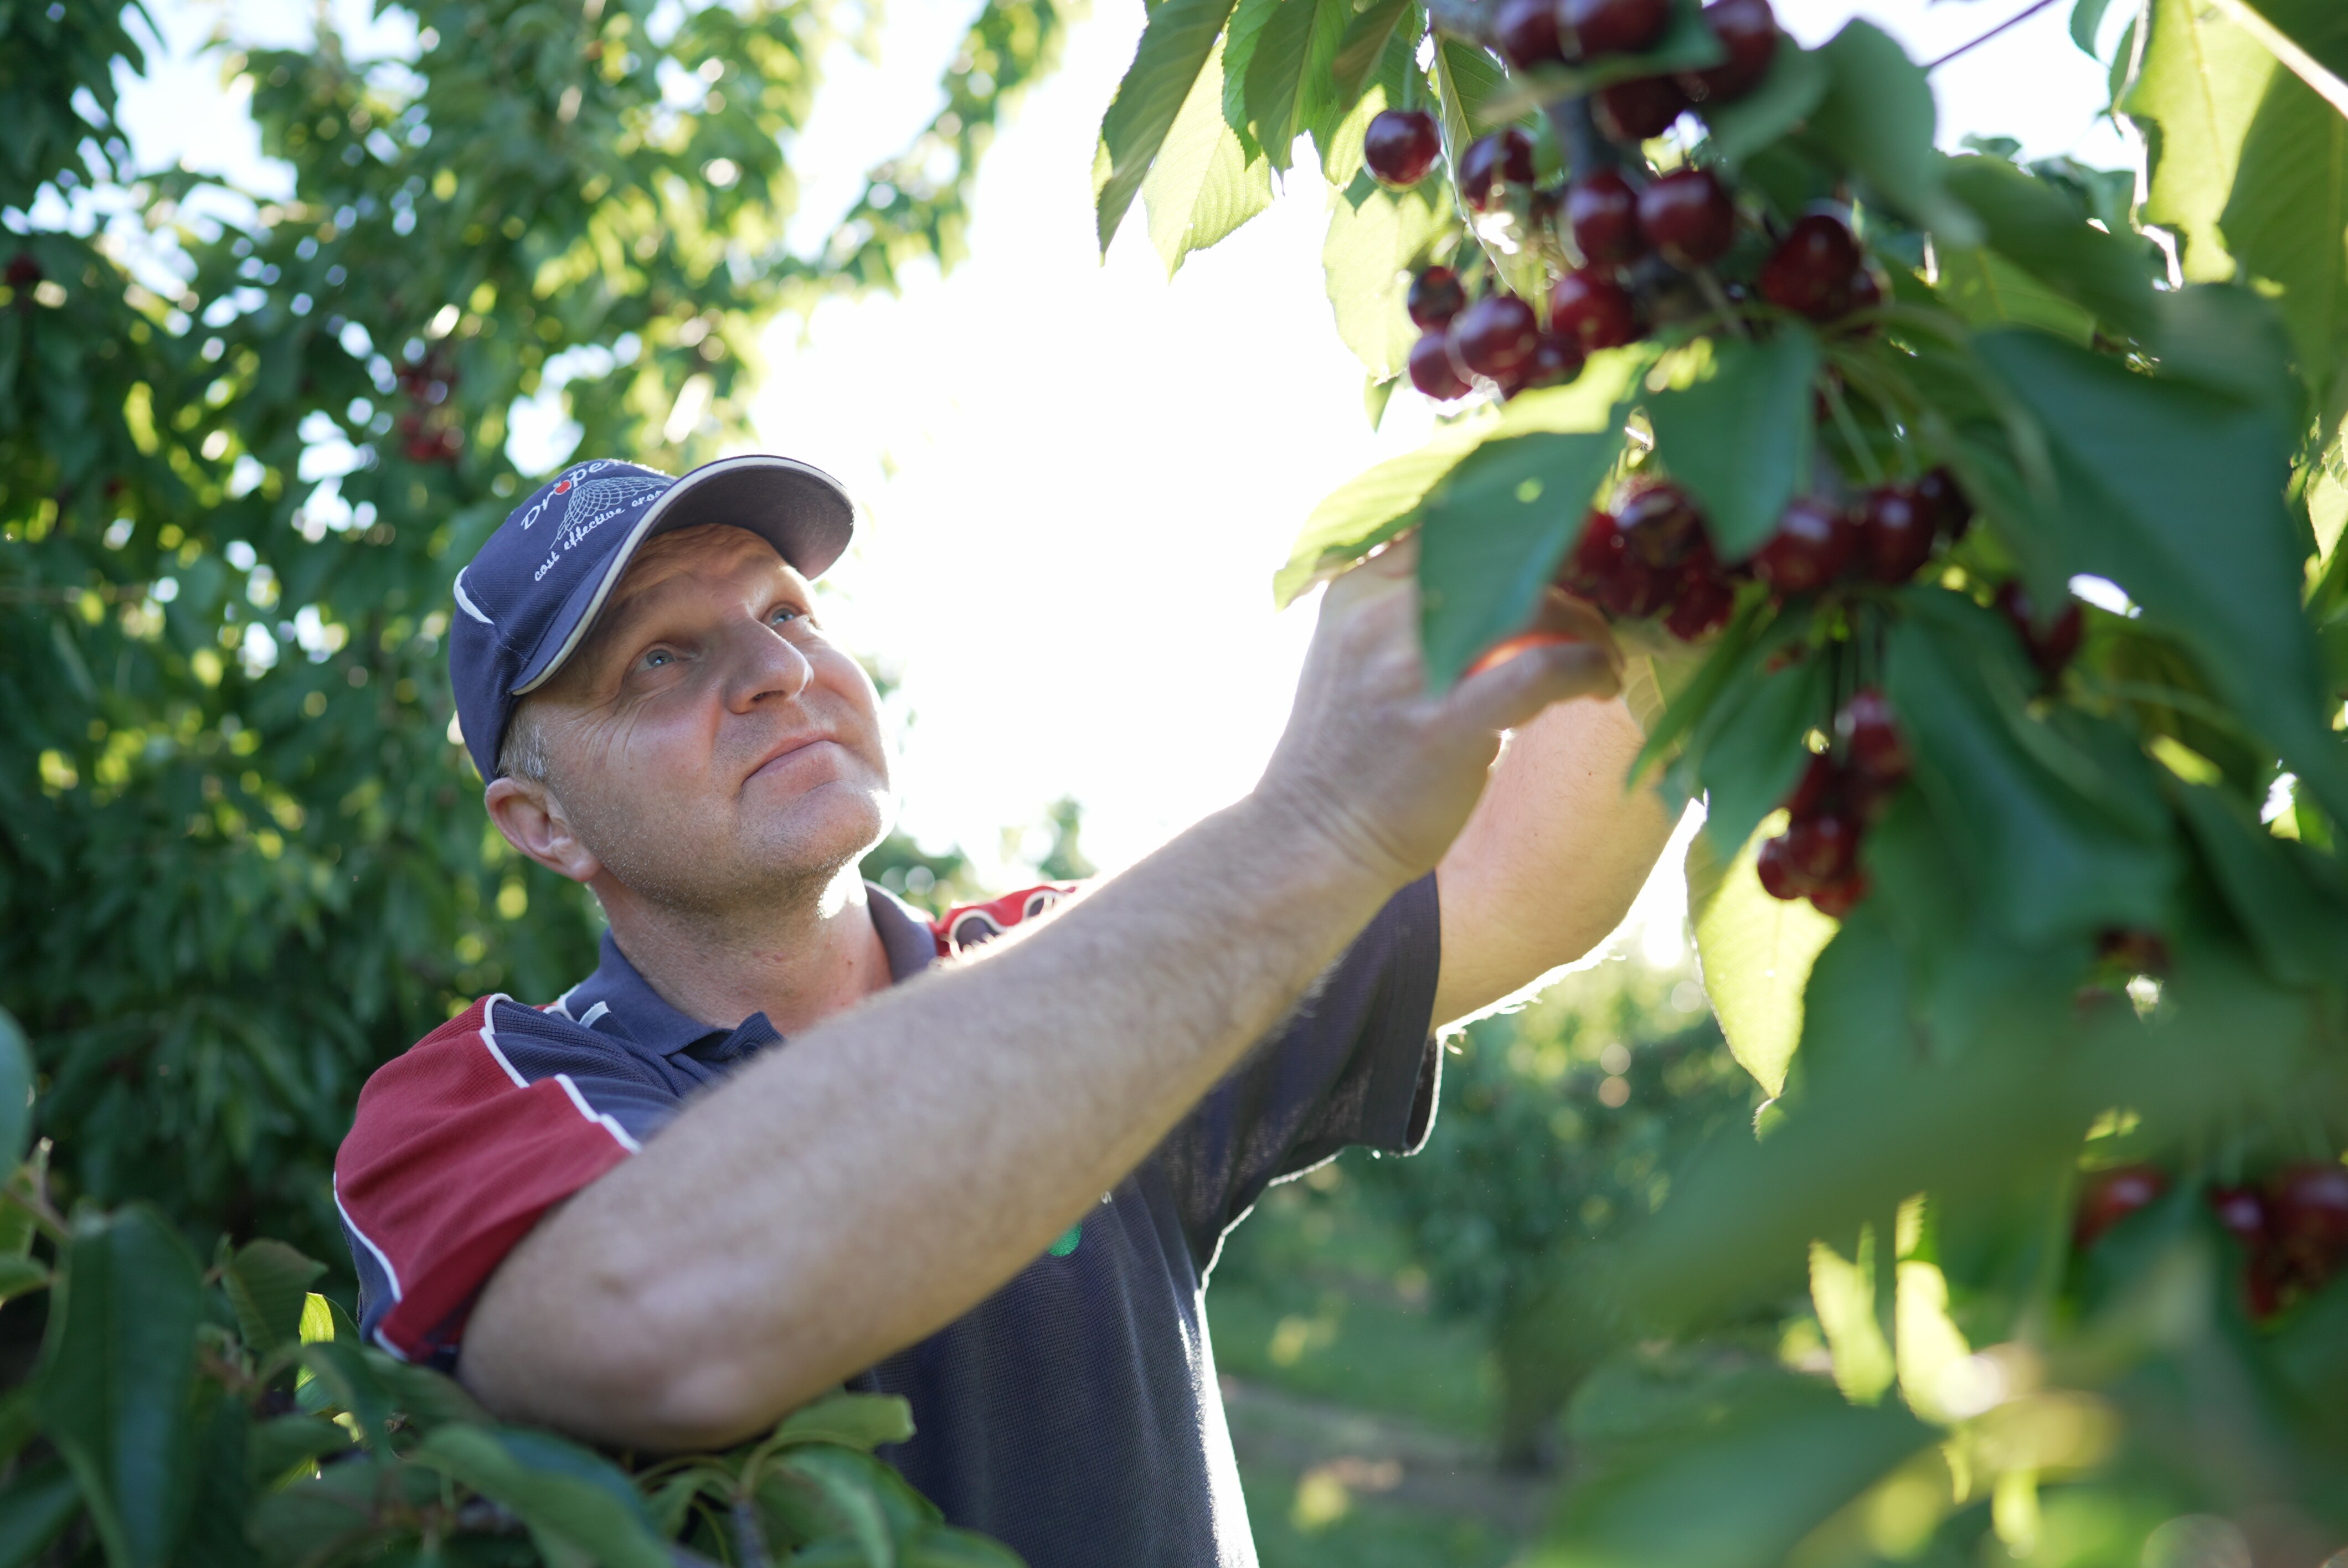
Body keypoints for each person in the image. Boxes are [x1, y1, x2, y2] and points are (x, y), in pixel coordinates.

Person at [334, 452, 1675, 1567]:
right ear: (544, 823)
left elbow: (1516, 877)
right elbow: (652, 1317)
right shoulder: (481, 1097)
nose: (776, 670)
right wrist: (1310, 824)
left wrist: (1681, 480)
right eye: (659, 661)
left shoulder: (1070, 966)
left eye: (789, 612)